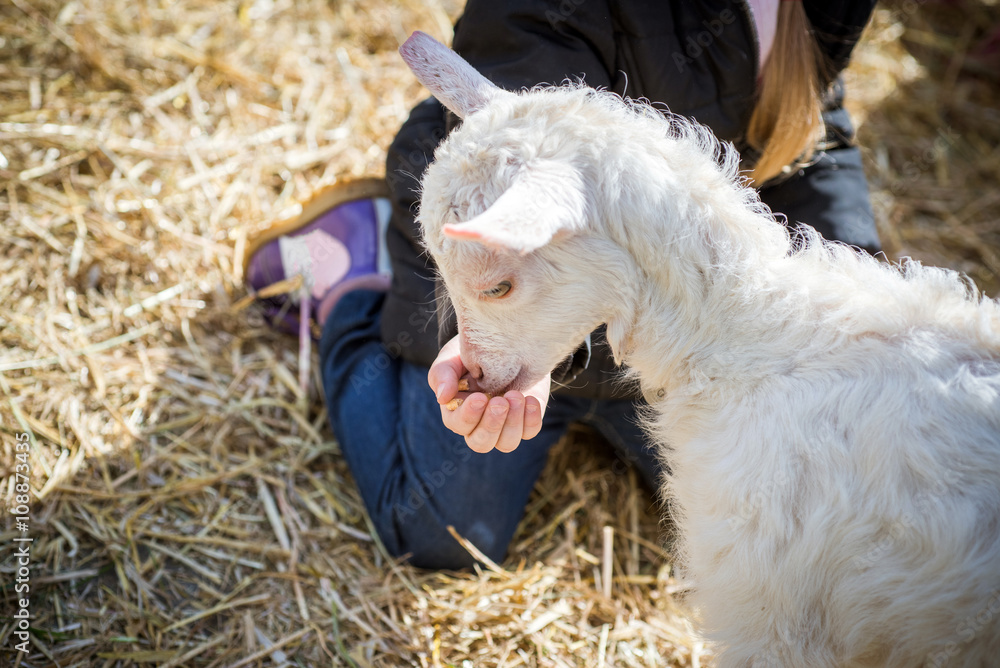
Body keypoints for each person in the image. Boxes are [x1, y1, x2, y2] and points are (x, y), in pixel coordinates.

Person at [245, 0, 881, 569]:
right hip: (493, 248)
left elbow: (817, 130)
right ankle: (355, 273)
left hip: (658, 306)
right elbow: (522, 156)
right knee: (440, 529)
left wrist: (843, 282)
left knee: (777, 508)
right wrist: (515, 334)